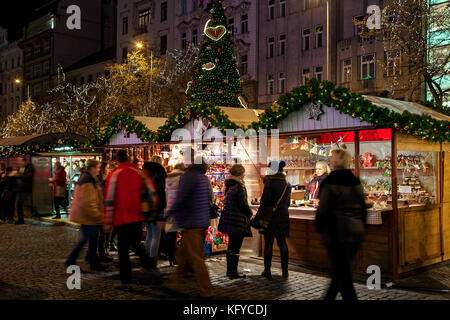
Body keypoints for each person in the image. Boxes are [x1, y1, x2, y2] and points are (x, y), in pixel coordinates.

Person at [315, 149, 367, 300]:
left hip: (336, 232)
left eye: (331, 158)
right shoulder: (355, 181)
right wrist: (362, 228)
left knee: (340, 272)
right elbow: (362, 208)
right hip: (355, 231)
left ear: (334, 162)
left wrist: (319, 226)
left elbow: (323, 209)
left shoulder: (331, 181)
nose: (330, 160)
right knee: (342, 272)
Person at [103, 150, 158, 290]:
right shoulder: (139, 172)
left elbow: (109, 200)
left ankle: (126, 282)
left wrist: (108, 221)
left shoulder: (114, 174)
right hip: (137, 216)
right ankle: (150, 266)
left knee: (123, 252)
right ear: (128, 158)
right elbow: (152, 192)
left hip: (121, 218)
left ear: (117, 159)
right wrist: (152, 211)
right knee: (136, 244)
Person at [166, 150, 214, 298]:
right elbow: (209, 199)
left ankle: (207, 291)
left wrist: (168, 213)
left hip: (191, 221)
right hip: (201, 221)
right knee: (184, 253)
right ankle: (175, 282)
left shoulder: (188, 177)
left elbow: (181, 198)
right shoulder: (203, 177)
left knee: (196, 258)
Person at [65, 159, 107, 271]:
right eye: (98, 167)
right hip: (89, 216)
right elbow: (89, 202)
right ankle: (72, 260)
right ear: (93, 168)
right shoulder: (88, 181)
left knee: (92, 240)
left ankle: (92, 262)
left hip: (87, 215)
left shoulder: (88, 178)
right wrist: (98, 216)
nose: (99, 170)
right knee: (87, 239)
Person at [218, 164, 253, 279]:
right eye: (243, 172)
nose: (244, 174)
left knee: (231, 246)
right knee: (236, 247)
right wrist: (250, 212)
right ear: (240, 174)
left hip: (230, 219)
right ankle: (233, 272)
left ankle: (230, 271)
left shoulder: (229, 185)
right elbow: (243, 205)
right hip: (237, 220)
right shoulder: (239, 187)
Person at [260, 160, 291, 278]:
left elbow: (265, 201)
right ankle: (285, 271)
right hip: (283, 216)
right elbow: (287, 203)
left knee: (268, 243)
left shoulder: (270, 183)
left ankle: (267, 271)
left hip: (271, 217)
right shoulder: (287, 184)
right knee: (282, 242)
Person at [142, 156, 167, 269]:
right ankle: (152, 259)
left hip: (146, 208)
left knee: (150, 235)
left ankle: (147, 257)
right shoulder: (160, 176)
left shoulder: (146, 174)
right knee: (155, 236)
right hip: (156, 209)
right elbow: (161, 195)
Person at [164, 163, 185, 266]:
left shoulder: (168, 178)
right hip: (181, 209)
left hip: (169, 209)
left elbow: (165, 194)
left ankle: (171, 258)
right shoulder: (183, 178)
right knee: (184, 234)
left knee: (171, 235)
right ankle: (181, 257)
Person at [96, 162, 114, 263]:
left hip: (104, 207)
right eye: (107, 167)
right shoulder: (101, 179)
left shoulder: (104, 178)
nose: (108, 169)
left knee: (104, 233)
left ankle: (103, 252)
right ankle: (101, 253)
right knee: (102, 233)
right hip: (102, 208)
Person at [14, 156, 35, 224]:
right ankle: (21, 219)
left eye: (21, 161)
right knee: (19, 204)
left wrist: (19, 175)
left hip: (25, 189)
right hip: (20, 188)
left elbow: (28, 177)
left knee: (20, 204)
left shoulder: (30, 167)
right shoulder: (21, 168)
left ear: (25, 161)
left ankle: (22, 219)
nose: (20, 163)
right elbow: (20, 176)